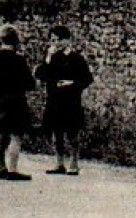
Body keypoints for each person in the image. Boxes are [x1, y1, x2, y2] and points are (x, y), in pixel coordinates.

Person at [34, 24, 94, 176]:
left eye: (58, 40)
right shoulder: (52, 58)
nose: (55, 44)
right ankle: (59, 163)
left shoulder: (77, 58)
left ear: (67, 40)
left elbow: (87, 78)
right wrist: (47, 60)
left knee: (72, 132)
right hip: (54, 99)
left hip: (71, 100)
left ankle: (74, 162)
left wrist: (72, 84)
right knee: (56, 132)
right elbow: (41, 75)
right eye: (53, 40)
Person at [0, 24, 34, 181]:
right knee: (16, 136)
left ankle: (1, 168)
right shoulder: (19, 60)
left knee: (0, 134)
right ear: (16, 40)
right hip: (16, 101)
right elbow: (30, 84)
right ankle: (13, 170)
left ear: (0, 39)